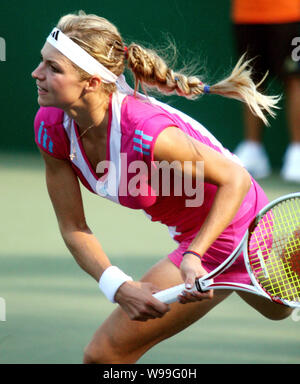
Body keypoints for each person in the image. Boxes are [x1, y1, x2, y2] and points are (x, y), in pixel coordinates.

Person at [32, 11, 292, 364]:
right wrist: (118, 286)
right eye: (41, 63)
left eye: (53, 68)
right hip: (195, 229)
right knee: (277, 309)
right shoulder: (51, 127)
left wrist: (194, 255)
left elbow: (235, 177)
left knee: (104, 355)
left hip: (227, 221)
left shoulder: (146, 132)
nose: (37, 74)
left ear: (92, 82)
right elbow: (73, 226)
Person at [232, 0, 300, 182]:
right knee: (251, 78)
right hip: (246, 14)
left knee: (294, 78)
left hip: (290, 13)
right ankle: (253, 149)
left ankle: (297, 151)